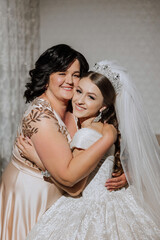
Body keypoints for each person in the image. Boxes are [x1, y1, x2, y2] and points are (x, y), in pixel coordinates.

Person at [0, 45, 124, 240]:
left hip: (60, 198)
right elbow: (71, 182)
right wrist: (41, 164)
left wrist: (125, 173)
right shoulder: (40, 118)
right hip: (31, 197)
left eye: (75, 75)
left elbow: (107, 153)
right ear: (47, 77)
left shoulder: (80, 109)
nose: (69, 81)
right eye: (61, 73)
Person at [25, 61, 160, 239]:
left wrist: (37, 159)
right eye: (79, 91)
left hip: (91, 206)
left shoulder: (86, 135)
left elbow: (73, 186)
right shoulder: (104, 128)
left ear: (103, 106)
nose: (79, 100)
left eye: (91, 97)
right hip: (118, 201)